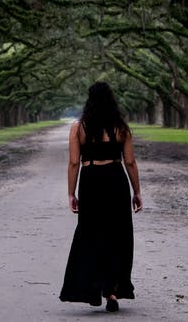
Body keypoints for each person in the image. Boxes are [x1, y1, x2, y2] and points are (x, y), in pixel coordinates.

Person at [59, 81, 143, 313]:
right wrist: (137, 192)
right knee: (118, 235)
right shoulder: (121, 127)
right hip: (116, 180)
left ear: (89, 100)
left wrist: (71, 193)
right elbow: (130, 162)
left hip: (91, 181)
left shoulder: (79, 127)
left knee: (92, 234)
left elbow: (74, 162)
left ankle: (94, 287)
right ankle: (113, 290)